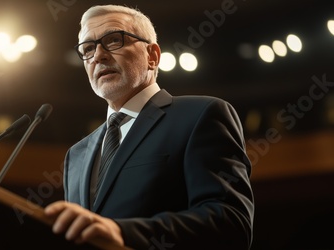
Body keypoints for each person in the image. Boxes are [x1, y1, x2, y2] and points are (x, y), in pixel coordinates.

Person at [44, 4, 254, 250]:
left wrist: (124, 233)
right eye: (88, 48)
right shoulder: (76, 155)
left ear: (152, 56)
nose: (98, 55)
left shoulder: (200, 116)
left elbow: (231, 223)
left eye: (113, 40)